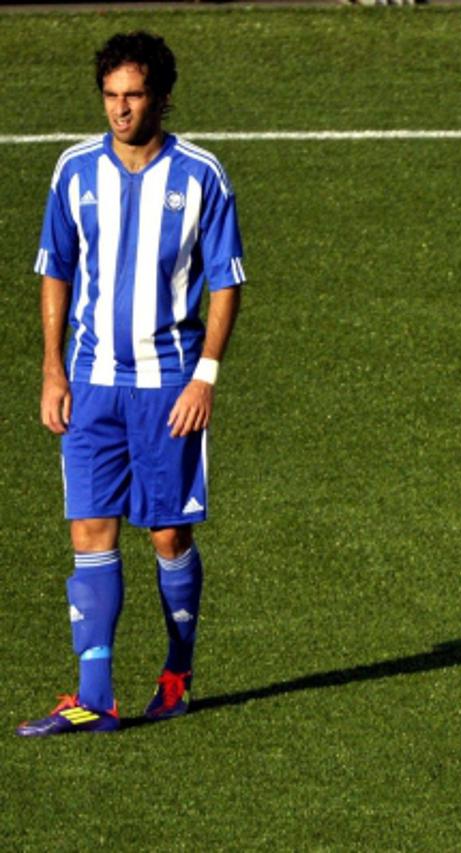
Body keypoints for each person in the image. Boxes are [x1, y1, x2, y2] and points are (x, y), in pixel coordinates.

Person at [18, 31, 245, 736]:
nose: (120, 110)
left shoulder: (202, 175)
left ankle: (177, 668)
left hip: (166, 384)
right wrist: (53, 366)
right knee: (89, 526)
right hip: (89, 381)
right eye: (111, 96)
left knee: (168, 534)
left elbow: (226, 281)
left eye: (134, 95)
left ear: (163, 96)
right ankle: (95, 697)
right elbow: (54, 266)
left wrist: (204, 376)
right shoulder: (74, 171)